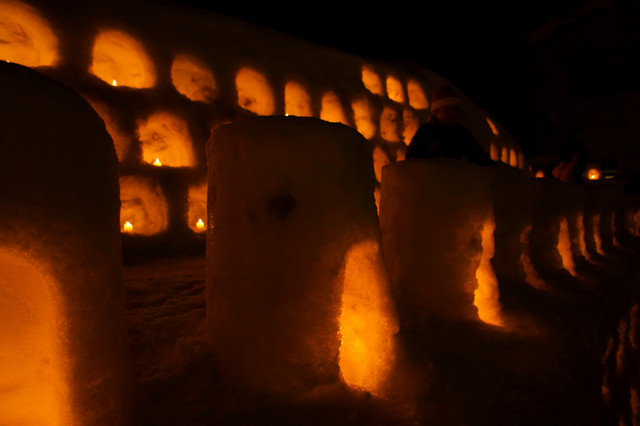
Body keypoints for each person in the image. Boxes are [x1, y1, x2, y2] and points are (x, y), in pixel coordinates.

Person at [406, 84, 494, 165]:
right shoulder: (426, 131)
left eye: (455, 110)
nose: (451, 113)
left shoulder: (460, 133)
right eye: (447, 108)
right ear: (436, 111)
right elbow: (412, 156)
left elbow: (475, 152)